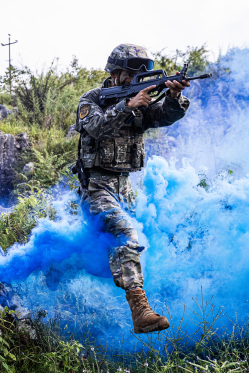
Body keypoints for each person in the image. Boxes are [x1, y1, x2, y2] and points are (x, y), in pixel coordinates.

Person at [75, 43, 191, 334]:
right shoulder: (92, 100)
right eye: (129, 75)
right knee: (127, 234)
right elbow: (97, 128)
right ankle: (140, 311)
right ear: (115, 74)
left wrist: (174, 94)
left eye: (141, 76)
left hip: (125, 187)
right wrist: (126, 106)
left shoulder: (142, 101)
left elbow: (164, 117)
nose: (136, 82)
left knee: (151, 237)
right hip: (97, 187)